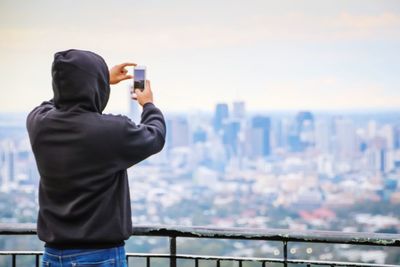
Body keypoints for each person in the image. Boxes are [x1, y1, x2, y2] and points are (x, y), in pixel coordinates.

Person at [26, 49, 166, 267]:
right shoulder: (110, 130)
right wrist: (148, 104)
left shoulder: (38, 122)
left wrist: (96, 81)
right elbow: (155, 136)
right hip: (99, 256)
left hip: (53, 256)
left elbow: (56, 101)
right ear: (94, 86)